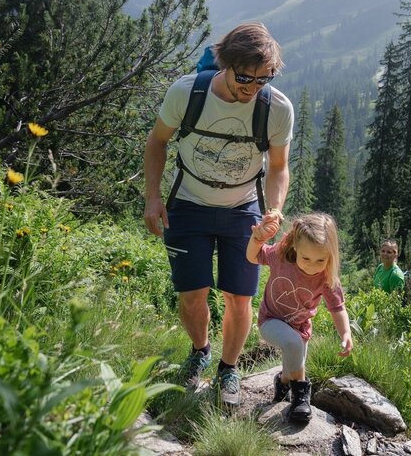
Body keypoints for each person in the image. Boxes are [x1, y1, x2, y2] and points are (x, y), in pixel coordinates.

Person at [143, 22, 294, 406]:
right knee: (192, 295)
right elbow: (158, 141)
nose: (252, 88)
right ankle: (200, 351)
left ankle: (228, 369)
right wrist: (152, 197)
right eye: (244, 77)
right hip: (188, 206)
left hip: (243, 211)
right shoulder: (187, 92)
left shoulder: (276, 108)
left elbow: (278, 166)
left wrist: (274, 209)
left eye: (263, 79)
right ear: (224, 63)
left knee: (239, 297)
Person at [247, 212, 353, 423]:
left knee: (291, 366)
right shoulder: (281, 256)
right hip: (270, 320)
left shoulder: (327, 277)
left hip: (300, 327)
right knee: (293, 346)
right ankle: (300, 398)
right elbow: (253, 256)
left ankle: (283, 382)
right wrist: (257, 239)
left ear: (330, 256)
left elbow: (337, 308)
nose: (312, 265)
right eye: (306, 258)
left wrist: (346, 332)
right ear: (295, 246)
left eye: (320, 260)